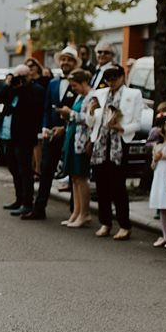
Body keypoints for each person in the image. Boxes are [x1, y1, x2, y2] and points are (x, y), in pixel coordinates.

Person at [89, 65, 143, 240]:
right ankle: (105, 222)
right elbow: (92, 121)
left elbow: (137, 122)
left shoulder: (133, 94)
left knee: (118, 186)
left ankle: (124, 224)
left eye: (114, 78)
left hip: (120, 142)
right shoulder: (101, 93)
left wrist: (122, 128)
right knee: (101, 185)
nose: (111, 83)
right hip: (101, 142)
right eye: (108, 79)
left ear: (122, 77)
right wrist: (91, 111)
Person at [26, 46, 79, 220]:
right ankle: (39, 207)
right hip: (51, 133)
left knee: (73, 173)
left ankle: (75, 210)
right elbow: (47, 108)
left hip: (71, 132)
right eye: (63, 59)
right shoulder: (53, 83)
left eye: (69, 60)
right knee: (46, 170)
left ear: (75, 62)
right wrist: (45, 127)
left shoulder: (80, 82)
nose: (65, 62)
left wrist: (64, 127)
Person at [0, 65, 44, 216]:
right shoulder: (12, 88)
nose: (18, 79)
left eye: (21, 76)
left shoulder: (34, 89)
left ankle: (27, 202)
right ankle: (19, 199)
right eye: (16, 75)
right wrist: (8, 84)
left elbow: (33, 108)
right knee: (13, 168)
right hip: (9, 135)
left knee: (25, 170)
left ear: (28, 76)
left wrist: (22, 87)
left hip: (24, 136)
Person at [57, 69, 95, 228]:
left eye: (75, 85)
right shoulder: (80, 96)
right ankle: (76, 212)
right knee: (74, 177)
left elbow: (90, 119)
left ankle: (84, 213)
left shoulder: (92, 97)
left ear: (84, 82)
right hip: (73, 137)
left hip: (83, 139)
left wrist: (70, 113)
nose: (73, 89)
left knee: (81, 177)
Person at [148, 115, 166, 247]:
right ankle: (165, 235)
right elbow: (153, 166)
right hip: (160, 178)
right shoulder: (158, 145)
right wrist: (156, 158)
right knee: (163, 207)